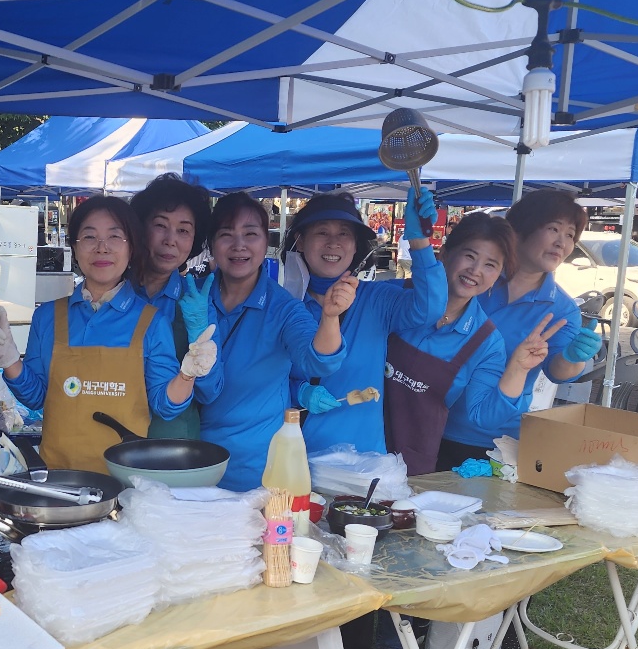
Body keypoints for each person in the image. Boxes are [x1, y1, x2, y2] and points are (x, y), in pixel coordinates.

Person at [372, 213, 561, 649]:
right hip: (358, 442)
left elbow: (480, 415)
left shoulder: (485, 340)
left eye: (491, 265)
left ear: (498, 276)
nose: (476, 270)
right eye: (469, 255)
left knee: (403, 555)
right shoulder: (393, 298)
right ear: (446, 254)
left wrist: (517, 368)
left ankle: (394, 644)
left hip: (413, 459)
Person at [0, 197, 202, 473]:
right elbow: (37, 397)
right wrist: (10, 361)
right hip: (58, 479)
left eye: (115, 237)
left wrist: (187, 375)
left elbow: (164, 406)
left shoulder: (152, 322)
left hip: (126, 481)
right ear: (74, 247)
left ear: (131, 248)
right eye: (89, 237)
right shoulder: (47, 316)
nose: (102, 247)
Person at [185, 192, 353, 489]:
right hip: (189, 462)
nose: (239, 245)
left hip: (255, 471)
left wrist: (329, 317)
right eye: (226, 234)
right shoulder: (192, 297)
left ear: (266, 243)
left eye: (251, 234)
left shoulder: (283, 308)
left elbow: (317, 360)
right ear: (211, 243)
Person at [437, 192, 600, 466]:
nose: (562, 243)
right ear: (520, 228)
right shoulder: (474, 278)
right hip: (428, 420)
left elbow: (558, 373)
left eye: (570, 235)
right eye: (553, 229)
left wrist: (573, 357)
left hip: (494, 438)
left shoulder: (561, 309)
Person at [281, 189, 445, 455]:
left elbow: (429, 308)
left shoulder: (376, 299)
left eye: (344, 234)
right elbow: (264, 379)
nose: (333, 243)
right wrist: (298, 391)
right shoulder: (284, 306)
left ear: (356, 245)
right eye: (322, 232)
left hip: (362, 460)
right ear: (300, 241)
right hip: (296, 457)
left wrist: (419, 242)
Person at [129, 173, 214, 438]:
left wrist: (199, 345)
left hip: (173, 443)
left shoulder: (198, 302)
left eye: (183, 230)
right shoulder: (113, 291)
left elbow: (211, 391)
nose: (170, 240)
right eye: (160, 225)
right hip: (108, 439)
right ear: (140, 228)